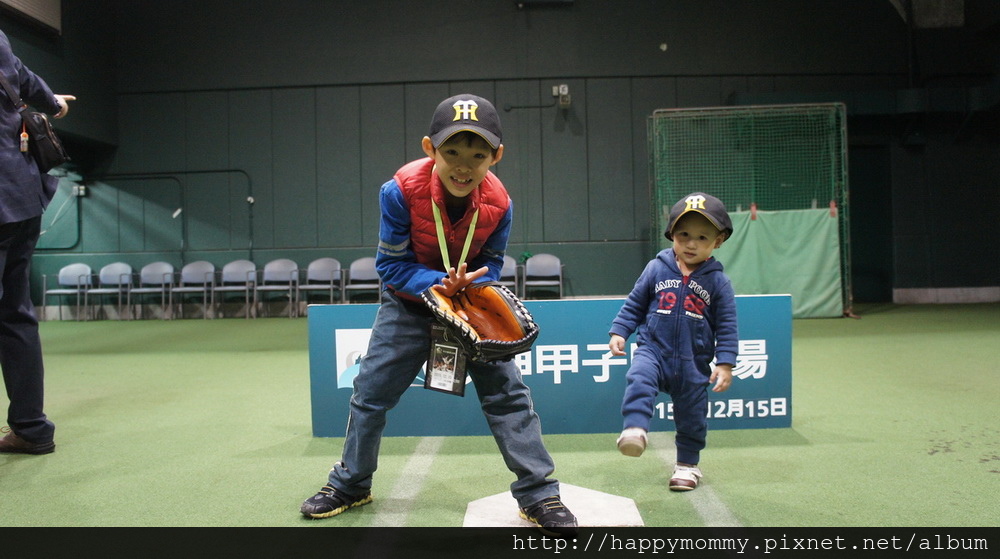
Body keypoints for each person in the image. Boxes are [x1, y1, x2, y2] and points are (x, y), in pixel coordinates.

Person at [300, 94, 577, 536]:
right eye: (452, 152)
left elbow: (494, 261)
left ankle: (539, 493)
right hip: (409, 305)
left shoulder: (501, 202)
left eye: (478, 154)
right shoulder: (399, 191)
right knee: (370, 393)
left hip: (467, 306)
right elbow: (390, 266)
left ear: (496, 156)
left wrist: (474, 288)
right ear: (430, 148)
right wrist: (433, 287)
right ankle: (351, 484)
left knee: (508, 396)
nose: (463, 166)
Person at [608, 192, 738, 491]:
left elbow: (728, 326)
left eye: (702, 237)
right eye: (684, 234)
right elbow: (635, 304)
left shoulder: (718, 283)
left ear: (718, 241)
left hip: (694, 362)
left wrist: (726, 363)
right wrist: (619, 331)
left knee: (693, 418)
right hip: (653, 349)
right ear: (671, 234)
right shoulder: (656, 268)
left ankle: (687, 466)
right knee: (638, 378)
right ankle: (635, 429)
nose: (691, 243)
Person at [0, 29, 75, 455]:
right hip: (22, 193)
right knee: (15, 315)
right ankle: (30, 427)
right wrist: (56, 103)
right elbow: (26, 78)